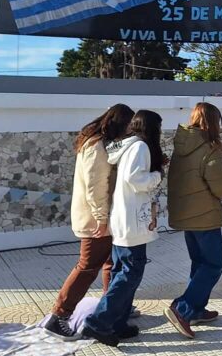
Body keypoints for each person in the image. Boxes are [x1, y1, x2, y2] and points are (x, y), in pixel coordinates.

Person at [44, 104, 134, 341]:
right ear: (118, 123)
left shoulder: (99, 142)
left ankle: (111, 308)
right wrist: (101, 219)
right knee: (87, 266)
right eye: (127, 126)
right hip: (96, 219)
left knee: (108, 262)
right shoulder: (96, 146)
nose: (129, 131)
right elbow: (96, 188)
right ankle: (58, 316)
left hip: (103, 217)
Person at [81, 110, 165, 347]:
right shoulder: (140, 147)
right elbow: (136, 180)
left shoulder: (125, 147)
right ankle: (98, 322)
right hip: (132, 222)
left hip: (123, 219)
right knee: (129, 273)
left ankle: (117, 322)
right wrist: (157, 175)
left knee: (121, 272)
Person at [164, 102, 222, 339]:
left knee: (199, 262)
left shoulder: (181, 146)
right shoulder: (209, 149)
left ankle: (197, 309)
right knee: (214, 264)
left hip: (185, 214)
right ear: (213, 122)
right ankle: (182, 308)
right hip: (204, 216)